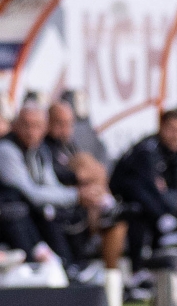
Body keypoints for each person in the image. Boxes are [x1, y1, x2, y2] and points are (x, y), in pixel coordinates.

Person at [0, 101, 125, 284]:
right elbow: (30, 192)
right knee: (35, 210)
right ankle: (62, 266)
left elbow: (51, 185)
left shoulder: (40, 150)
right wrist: (76, 195)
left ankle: (73, 265)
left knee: (57, 211)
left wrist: (83, 194)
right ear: (16, 125)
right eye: (26, 125)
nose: (31, 132)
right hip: (13, 215)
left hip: (32, 212)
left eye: (36, 126)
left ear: (44, 128)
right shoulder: (6, 149)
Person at [110, 108, 177, 273]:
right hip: (133, 203)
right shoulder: (147, 151)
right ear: (161, 128)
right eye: (173, 130)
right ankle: (141, 271)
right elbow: (145, 190)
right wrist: (174, 204)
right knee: (139, 209)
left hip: (165, 204)